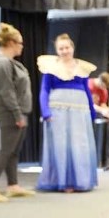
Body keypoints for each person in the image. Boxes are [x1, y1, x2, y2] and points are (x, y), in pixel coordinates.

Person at [36, 33, 97, 193]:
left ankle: (80, 180)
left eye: (67, 47)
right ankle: (62, 181)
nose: (64, 51)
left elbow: (87, 91)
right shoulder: (50, 67)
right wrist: (45, 111)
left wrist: (92, 112)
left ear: (72, 48)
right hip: (58, 110)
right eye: (61, 48)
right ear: (57, 50)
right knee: (61, 145)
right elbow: (44, 90)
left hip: (79, 111)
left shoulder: (81, 68)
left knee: (79, 144)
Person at [0, 23, 34, 203]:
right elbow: (7, 92)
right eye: (20, 43)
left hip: (19, 112)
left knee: (13, 152)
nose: (22, 46)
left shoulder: (9, 63)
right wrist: (17, 114)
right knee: (5, 151)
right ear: (11, 42)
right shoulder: (2, 63)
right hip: (10, 113)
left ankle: (13, 186)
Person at [88, 72, 109, 169]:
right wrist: (103, 110)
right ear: (99, 80)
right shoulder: (88, 85)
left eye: (105, 87)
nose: (103, 88)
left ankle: (93, 163)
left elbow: (102, 103)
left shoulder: (104, 90)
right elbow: (89, 104)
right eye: (103, 85)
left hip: (93, 116)